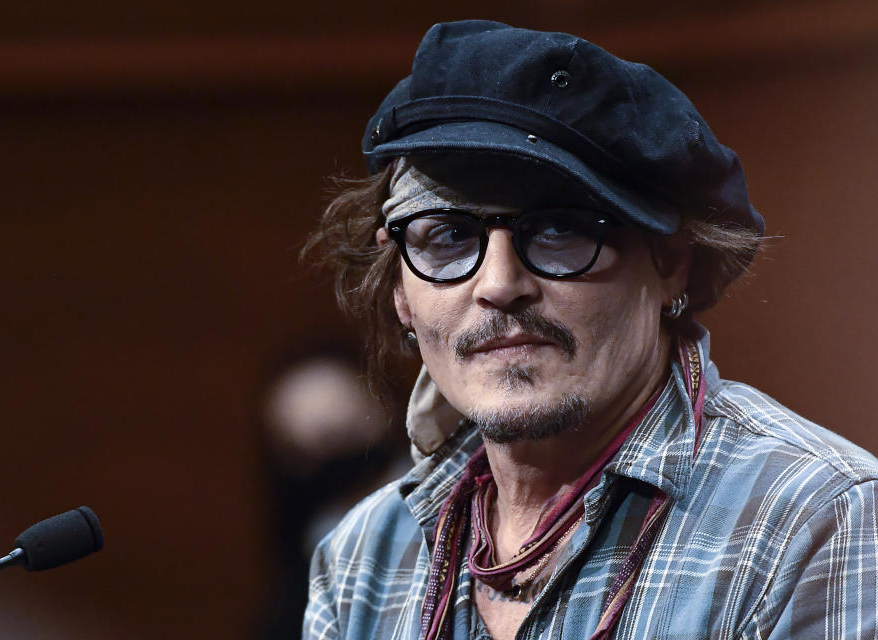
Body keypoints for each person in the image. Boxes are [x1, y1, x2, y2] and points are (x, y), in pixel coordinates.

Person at [301, 20, 878, 640]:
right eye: (448, 235)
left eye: (559, 230)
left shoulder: (815, 523)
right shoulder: (363, 558)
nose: (497, 283)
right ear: (400, 294)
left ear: (671, 263)